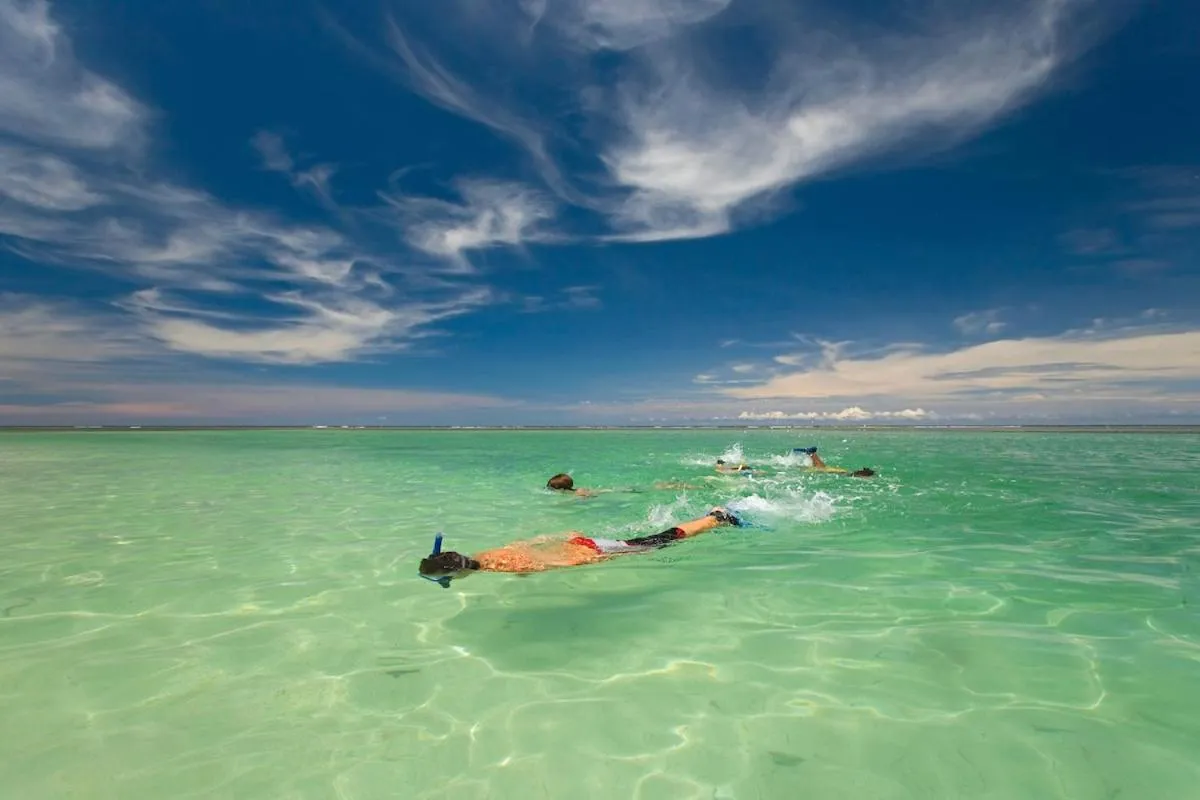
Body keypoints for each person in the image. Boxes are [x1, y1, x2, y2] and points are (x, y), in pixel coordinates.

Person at [419, 507, 744, 581]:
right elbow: (530, 543)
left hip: (592, 550)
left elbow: (554, 563)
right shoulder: (486, 556)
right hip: (582, 542)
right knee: (649, 539)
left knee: (658, 542)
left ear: (454, 574)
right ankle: (710, 518)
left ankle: (716, 518)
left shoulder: (499, 566)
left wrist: (592, 560)